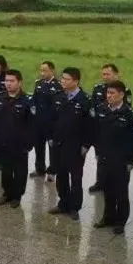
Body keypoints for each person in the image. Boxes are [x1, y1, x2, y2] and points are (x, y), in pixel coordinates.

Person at [93, 80, 133, 234]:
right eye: (108, 93)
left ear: (121, 95)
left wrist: (132, 161)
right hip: (105, 157)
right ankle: (108, 217)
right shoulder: (102, 109)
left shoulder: (130, 115)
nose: (109, 96)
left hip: (122, 160)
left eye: (113, 93)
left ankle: (120, 221)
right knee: (107, 189)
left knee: (120, 192)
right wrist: (98, 153)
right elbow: (98, 134)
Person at [47, 67, 92, 220]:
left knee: (76, 178)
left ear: (76, 81)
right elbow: (52, 119)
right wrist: (50, 137)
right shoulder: (58, 97)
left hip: (76, 146)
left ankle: (74, 206)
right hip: (59, 144)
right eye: (62, 78)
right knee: (61, 175)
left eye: (67, 79)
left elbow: (90, 125)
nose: (63, 81)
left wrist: (86, 145)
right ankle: (63, 203)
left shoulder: (85, 100)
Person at [0, 70, 35, 208]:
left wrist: (28, 144)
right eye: (7, 81)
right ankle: (7, 193)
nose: (8, 84)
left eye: (12, 81)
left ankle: (17, 196)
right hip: (3, 142)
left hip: (20, 144)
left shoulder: (27, 101)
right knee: (5, 170)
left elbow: (32, 125)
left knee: (19, 172)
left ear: (19, 83)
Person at [88, 64, 132, 194]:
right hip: (101, 125)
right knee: (100, 156)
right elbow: (94, 107)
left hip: (117, 126)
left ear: (116, 74)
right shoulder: (98, 88)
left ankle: (112, 183)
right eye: (103, 74)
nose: (105, 77)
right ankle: (100, 181)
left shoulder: (124, 90)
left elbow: (126, 108)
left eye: (108, 74)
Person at [30, 61, 62, 182]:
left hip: (51, 123)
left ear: (52, 71)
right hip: (39, 122)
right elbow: (34, 99)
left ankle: (52, 170)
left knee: (52, 148)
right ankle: (39, 168)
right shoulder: (38, 84)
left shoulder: (58, 86)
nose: (42, 73)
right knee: (38, 146)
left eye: (45, 71)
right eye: (41, 70)